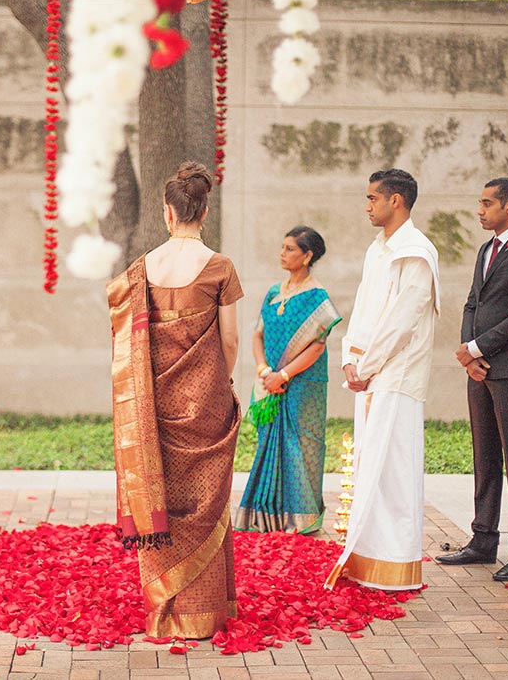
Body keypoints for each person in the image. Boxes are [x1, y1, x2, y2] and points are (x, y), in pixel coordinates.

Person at [107, 161, 242, 638]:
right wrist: (220, 387)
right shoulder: (220, 267)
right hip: (205, 405)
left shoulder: (141, 270)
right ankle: (205, 614)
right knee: (206, 501)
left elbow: (126, 344)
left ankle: (164, 610)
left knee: (159, 497)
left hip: (152, 409)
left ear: (168, 212)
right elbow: (229, 343)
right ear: (203, 211)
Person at [325, 168, 439, 592]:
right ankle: (366, 560)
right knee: (370, 464)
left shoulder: (416, 251)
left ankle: (395, 565)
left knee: (393, 469)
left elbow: (404, 319)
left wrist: (368, 365)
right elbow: (364, 309)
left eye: (373, 197)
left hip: (397, 376)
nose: (367, 205)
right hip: (370, 375)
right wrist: (350, 360)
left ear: (396, 201)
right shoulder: (379, 249)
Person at [437, 177, 508, 582]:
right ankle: (483, 540)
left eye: (487, 203)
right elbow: (473, 301)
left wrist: (478, 348)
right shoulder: (486, 249)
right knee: (484, 455)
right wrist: (469, 352)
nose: (480, 210)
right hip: (480, 369)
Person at [237, 226, 341, 534]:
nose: (283, 254)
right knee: (268, 443)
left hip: (304, 385)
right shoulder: (272, 293)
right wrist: (264, 371)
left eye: (290, 249)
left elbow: (317, 345)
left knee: (300, 445)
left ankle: (300, 519)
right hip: (270, 382)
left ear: (308, 256)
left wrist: (284, 374)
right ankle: (265, 515)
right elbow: (257, 334)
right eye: (282, 248)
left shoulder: (317, 298)